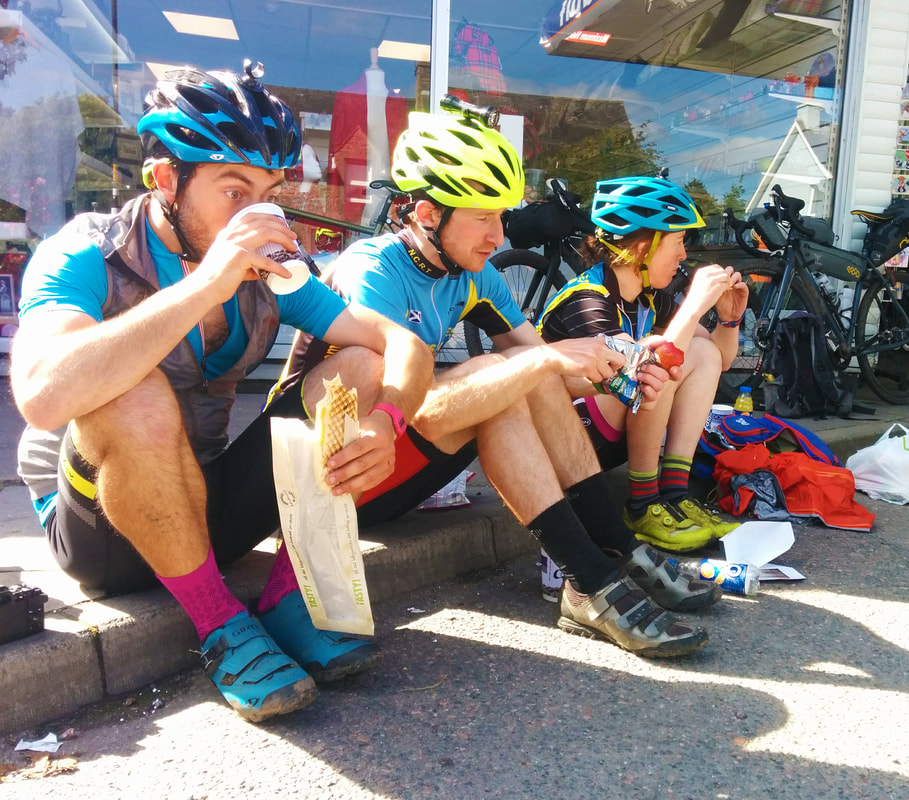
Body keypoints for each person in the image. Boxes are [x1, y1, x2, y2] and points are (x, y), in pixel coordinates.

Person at [10, 61, 434, 723]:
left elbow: (402, 345)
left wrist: (387, 421)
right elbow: (41, 394)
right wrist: (207, 282)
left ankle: (290, 596)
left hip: (205, 501)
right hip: (101, 529)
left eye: (269, 192)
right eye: (235, 190)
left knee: (354, 365)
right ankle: (219, 623)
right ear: (166, 180)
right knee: (132, 389)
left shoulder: (274, 270)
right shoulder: (88, 251)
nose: (258, 214)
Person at [278, 109, 720, 660]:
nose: (499, 234)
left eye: (502, 216)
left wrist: (622, 372)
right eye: (484, 217)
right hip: (330, 475)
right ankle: (591, 575)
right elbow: (409, 403)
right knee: (504, 373)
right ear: (428, 213)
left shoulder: (476, 274)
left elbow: (549, 369)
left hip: (394, 467)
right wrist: (542, 362)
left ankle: (611, 553)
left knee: (520, 371)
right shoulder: (374, 267)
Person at [537, 175, 749, 552]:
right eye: (678, 242)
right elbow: (631, 377)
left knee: (698, 352)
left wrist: (729, 320)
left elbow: (719, 358)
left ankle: (674, 495)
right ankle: (643, 504)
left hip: (607, 434)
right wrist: (693, 306)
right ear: (642, 247)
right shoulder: (587, 299)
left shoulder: (648, 297)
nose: (683, 255)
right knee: (654, 363)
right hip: (561, 444)